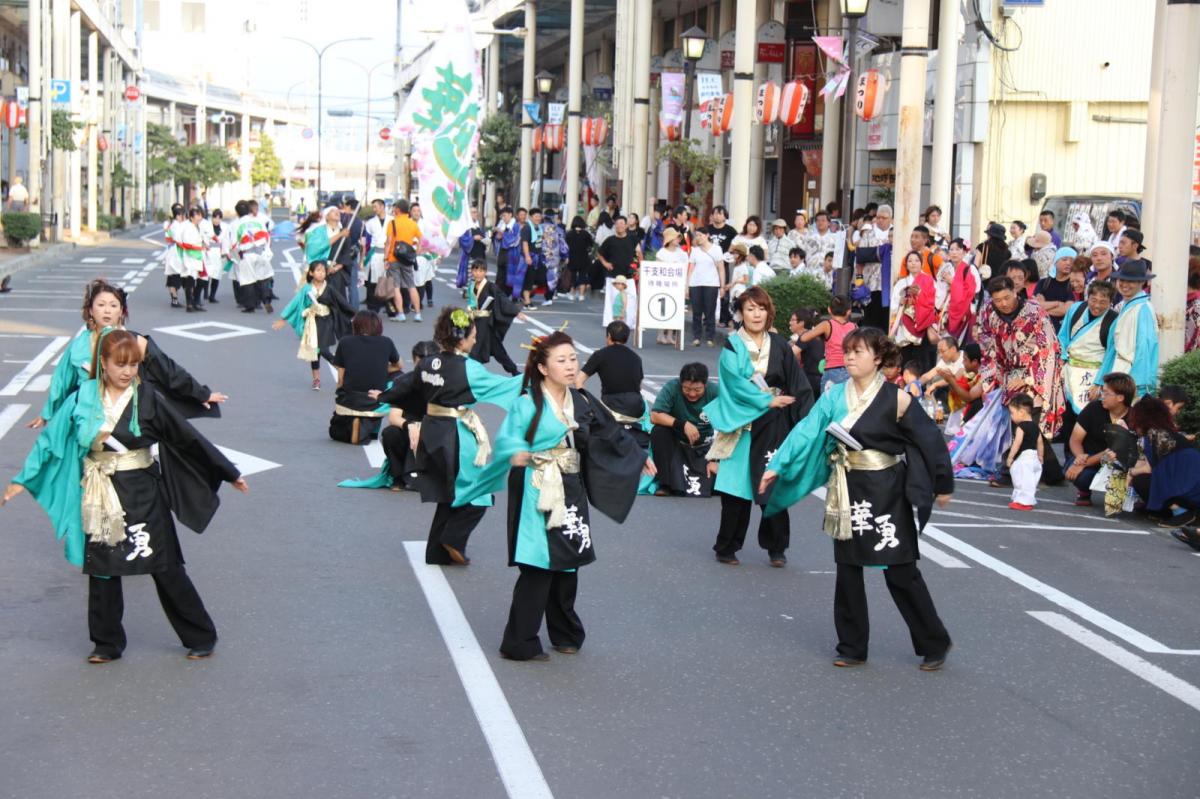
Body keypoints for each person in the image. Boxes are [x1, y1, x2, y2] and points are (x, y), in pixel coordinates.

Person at [2, 330, 248, 663]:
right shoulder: (82, 397)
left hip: (143, 490)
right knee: (103, 566)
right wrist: (22, 480)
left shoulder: (147, 397)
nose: (127, 371)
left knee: (165, 565)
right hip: (99, 491)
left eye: (133, 364)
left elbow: (187, 437)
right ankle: (106, 643)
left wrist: (228, 471)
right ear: (102, 363)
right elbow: (52, 440)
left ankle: (200, 635)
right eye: (120, 364)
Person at [452, 331, 654, 661]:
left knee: (568, 561)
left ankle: (565, 633)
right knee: (538, 563)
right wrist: (517, 451)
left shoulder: (582, 400)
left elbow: (610, 432)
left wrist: (638, 455)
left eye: (573, 358)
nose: (571, 366)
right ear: (543, 368)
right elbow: (510, 437)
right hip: (537, 485)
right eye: (561, 360)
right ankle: (519, 641)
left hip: (570, 484)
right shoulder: (528, 402)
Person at [760, 327, 953, 670]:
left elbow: (929, 441)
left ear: (878, 358)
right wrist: (778, 465)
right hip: (848, 487)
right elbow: (808, 429)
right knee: (848, 570)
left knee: (900, 570)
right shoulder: (835, 396)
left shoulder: (898, 398)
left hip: (887, 490)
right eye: (846, 352)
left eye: (858, 352)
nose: (849, 357)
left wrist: (942, 484)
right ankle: (852, 646)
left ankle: (934, 643)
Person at [381, 307, 525, 564]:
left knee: (448, 494)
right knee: (479, 490)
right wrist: (536, 372)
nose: (475, 339)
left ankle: (436, 552)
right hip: (456, 434)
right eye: (473, 334)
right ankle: (453, 538)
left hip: (431, 431)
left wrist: (381, 395)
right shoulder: (469, 368)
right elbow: (506, 386)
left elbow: (406, 387)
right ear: (462, 337)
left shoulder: (427, 363)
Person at [705, 286, 813, 567]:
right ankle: (727, 546)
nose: (756, 314)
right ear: (740, 313)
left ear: (769, 312)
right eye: (750, 309)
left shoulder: (779, 345)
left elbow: (797, 383)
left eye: (761, 308)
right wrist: (766, 402)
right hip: (743, 424)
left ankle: (777, 548)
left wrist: (806, 420)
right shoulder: (733, 344)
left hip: (775, 424)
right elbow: (734, 382)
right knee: (736, 490)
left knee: (772, 488)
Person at [29, 280, 227, 431]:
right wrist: (49, 412)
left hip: (126, 417)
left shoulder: (133, 341)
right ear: (90, 310)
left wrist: (201, 394)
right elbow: (62, 381)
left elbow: (167, 370)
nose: (107, 310)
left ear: (121, 312)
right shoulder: (79, 345)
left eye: (113, 305)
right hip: (87, 417)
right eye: (101, 305)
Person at [964, 276, 1065, 484]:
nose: (1003, 303)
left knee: (1025, 426)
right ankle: (1053, 473)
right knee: (1026, 428)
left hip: (1037, 375)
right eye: (998, 299)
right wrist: (993, 377)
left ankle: (1008, 473)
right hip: (1008, 373)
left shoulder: (1035, 313)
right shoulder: (989, 312)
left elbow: (1048, 348)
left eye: (1006, 298)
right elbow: (986, 343)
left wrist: (1027, 377)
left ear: (1015, 293)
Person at [1123, 398, 1200, 550]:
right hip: (1193, 486)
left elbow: (1149, 469)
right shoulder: (1167, 433)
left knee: (1141, 481)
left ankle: (1181, 513)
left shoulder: (1153, 435)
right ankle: (1183, 514)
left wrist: (1131, 473)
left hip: (1189, 490)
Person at [272, 260, 354, 391]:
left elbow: (342, 302)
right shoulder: (306, 289)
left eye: (323, 271)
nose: (321, 273)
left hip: (326, 321)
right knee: (314, 352)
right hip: (312, 322)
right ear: (311, 272)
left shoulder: (329, 288)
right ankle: (316, 379)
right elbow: (295, 303)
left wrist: (354, 314)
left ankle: (340, 368)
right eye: (318, 270)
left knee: (323, 349)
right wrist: (284, 318)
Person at [328, 310, 402, 443]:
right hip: (375, 399)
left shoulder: (345, 342)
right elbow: (399, 365)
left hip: (350, 398)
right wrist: (382, 369)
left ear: (356, 325)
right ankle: (372, 430)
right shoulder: (386, 342)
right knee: (397, 376)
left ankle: (356, 425)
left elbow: (340, 379)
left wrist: (341, 393)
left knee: (335, 431)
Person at [648, 362, 720, 497]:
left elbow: (729, 426)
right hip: (678, 446)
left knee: (716, 488)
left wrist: (715, 459)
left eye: (697, 390)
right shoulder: (672, 387)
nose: (692, 394)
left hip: (705, 448)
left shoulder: (715, 392)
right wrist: (682, 425)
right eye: (686, 389)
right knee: (659, 431)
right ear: (681, 383)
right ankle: (665, 484)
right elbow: (655, 415)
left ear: (705, 384)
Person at [1065, 372, 1133, 507]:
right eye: (1102, 392)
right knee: (1077, 474)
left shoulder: (1133, 417)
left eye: (1106, 393)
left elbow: (1113, 451)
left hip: (1119, 462)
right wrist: (1080, 457)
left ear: (1120, 397)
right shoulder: (1094, 408)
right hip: (1089, 456)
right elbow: (1075, 439)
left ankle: (1133, 496)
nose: (1102, 397)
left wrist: (1082, 464)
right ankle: (1084, 491)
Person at [577, 321, 647, 445]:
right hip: (636, 407)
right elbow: (639, 386)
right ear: (626, 337)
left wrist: (585, 404)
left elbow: (579, 380)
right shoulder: (636, 357)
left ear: (609, 335)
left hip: (611, 405)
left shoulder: (600, 355)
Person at [1095, 259, 1158, 397]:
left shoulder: (1143, 308)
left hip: (1131, 377)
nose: (1124, 284)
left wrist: (1138, 385)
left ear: (1141, 282)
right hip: (1119, 373)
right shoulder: (1127, 305)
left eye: (1131, 281)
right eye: (1121, 280)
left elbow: (1144, 348)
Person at [1058, 280, 1117, 425]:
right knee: (1067, 414)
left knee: (1089, 415)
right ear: (1087, 297)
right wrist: (1061, 357)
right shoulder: (1076, 309)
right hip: (1069, 368)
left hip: (1094, 372)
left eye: (1103, 302)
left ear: (1110, 302)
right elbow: (1063, 335)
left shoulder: (1113, 319)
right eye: (1093, 300)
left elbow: (1111, 353)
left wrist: (1099, 383)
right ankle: (1068, 447)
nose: (1097, 305)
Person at [466, 259, 525, 376]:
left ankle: (514, 371)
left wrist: (516, 312)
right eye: (476, 270)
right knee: (488, 348)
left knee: (486, 349)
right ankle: (473, 373)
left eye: (481, 270)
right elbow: (471, 303)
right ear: (472, 271)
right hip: (474, 321)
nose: (478, 273)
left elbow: (502, 298)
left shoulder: (490, 286)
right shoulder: (471, 286)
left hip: (486, 323)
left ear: (485, 272)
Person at [801, 294, 856, 391]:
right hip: (850, 370)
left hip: (832, 371)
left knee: (828, 403)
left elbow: (804, 338)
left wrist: (817, 333)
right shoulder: (854, 327)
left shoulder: (827, 325)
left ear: (829, 310)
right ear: (849, 311)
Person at [231, 199, 274, 313]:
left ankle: (250, 305)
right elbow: (267, 236)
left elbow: (234, 243)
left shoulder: (236, 224)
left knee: (248, 279)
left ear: (237, 212)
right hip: (260, 252)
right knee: (263, 277)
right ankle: (267, 300)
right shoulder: (258, 221)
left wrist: (236, 257)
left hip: (247, 254)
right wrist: (267, 250)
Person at [383, 199, 422, 323]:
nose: (393, 210)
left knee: (396, 287)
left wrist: (385, 258)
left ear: (398, 210)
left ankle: (400, 314)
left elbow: (389, 242)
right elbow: (421, 238)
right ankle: (417, 314)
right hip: (407, 259)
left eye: (395, 208)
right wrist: (417, 252)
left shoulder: (392, 223)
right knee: (411, 285)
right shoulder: (412, 224)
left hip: (393, 258)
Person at [854, 204, 892, 330]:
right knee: (871, 319)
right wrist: (859, 278)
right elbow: (860, 256)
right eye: (878, 217)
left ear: (891, 219)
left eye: (884, 218)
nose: (880, 220)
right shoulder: (868, 234)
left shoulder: (896, 233)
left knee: (887, 318)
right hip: (871, 282)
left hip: (890, 284)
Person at [598, 216, 640, 327]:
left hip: (629, 274)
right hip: (613, 275)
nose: (619, 226)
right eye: (617, 224)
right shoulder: (609, 240)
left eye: (622, 223)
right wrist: (605, 263)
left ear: (626, 226)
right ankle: (610, 322)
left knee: (631, 299)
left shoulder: (632, 238)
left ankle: (630, 323)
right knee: (612, 299)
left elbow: (639, 252)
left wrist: (639, 267)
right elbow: (600, 253)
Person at [687, 227, 724, 347]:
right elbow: (691, 268)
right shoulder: (695, 250)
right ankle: (696, 336)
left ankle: (710, 337)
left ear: (707, 235)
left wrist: (722, 286)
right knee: (696, 311)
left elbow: (721, 268)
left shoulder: (717, 249)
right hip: (696, 283)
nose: (698, 238)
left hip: (711, 283)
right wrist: (687, 285)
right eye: (696, 235)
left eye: (700, 235)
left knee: (710, 311)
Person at [1005, 394, 1043, 510]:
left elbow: (1017, 443)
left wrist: (1010, 457)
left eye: (1012, 413)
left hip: (1024, 457)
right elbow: (1040, 442)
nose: (1011, 416)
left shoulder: (1021, 427)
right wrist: (1040, 456)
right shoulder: (1035, 427)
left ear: (1021, 412)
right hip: (1034, 457)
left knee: (1021, 478)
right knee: (1029, 480)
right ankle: (1020, 499)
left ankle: (1024, 502)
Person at [652, 227, 688, 346]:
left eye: (678, 237)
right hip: (664, 285)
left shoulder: (681, 253)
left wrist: (686, 286)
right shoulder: (661, 253)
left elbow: (685, 269)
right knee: (662, 309)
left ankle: (670, 335)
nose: (678, 239)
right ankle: (660, 334)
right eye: (675, 237)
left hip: (677, 285)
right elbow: (658, 269)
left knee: (675, 309)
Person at [330, 198, 365, 308]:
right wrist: (361, 260)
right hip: (352, 255)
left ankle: (337, 307)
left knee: (336, 282)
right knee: (352, 285)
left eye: (345, 206)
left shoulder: (342, 219)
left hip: (338, 254)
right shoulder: (361, 223)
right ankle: (354, 310)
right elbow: (363, 244)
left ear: (349, 207)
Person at [1035, 247, 1079, 330]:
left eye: (1072, 261)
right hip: (1041, 329)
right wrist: (1057, 303)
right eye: (1064, 259)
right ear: (1055, 262)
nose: (1068, 263)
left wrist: (1044, 307)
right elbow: (1036, 306)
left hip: (1063, 330)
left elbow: (1065, 310)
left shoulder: (1073, 284)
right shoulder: (1043, 283)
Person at [177, 207, 208, 312]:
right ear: (191, 217)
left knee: (201, 280)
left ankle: (195, 302)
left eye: (200, 215)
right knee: (190, 281)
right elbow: (186, 244)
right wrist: (198, 247)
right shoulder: (188, 227)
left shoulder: (198, 227)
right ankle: (189, 304)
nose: (199, 217)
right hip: (190, 257)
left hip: (198, 256)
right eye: (197, 215)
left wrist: (203, 245)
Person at [788, 307, 824, 398]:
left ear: (801, 323)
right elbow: (798, 357)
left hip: (812, 378)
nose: (790, 323)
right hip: (820, 376)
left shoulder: (805, 336)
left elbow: (789, 355)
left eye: (793, 320)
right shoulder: (813, 334)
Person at [363, 199, 390, 313]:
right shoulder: (370, 222)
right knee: (372, 281)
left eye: (376, 207)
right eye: (373, 207)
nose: (374, 209)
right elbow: (366, 240)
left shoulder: (392, 220)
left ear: (382, 206)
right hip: (374, 254)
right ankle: (372, 306)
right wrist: (364, 254)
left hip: (387, 253)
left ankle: (386, 304)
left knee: (387, 281)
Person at [519, 207, 546, 309]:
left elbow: (540, 239)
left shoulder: (539, 227)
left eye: (539, 216)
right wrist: (527, 256)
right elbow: (524, 242)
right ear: (531, 217)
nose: (538, 218)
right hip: (530, 257)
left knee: (540, 279)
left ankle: (523, 294)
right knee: (529, 280)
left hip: (538, 258)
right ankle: (527, 302)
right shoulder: (527, 228)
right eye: (536, 216)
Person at [162, 204, 186, 308]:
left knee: (172, 277)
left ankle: (174, 299)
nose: (183, 217)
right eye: (182, 215)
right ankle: (174, 299)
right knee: (176, 277)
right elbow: (179, 240)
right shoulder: (176, 226)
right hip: (176, 253)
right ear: (178, 215)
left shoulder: (171, 224)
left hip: (172, 252)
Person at [565, 215, 593, 303]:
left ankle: (572, 294)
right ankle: (581, 295)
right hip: (584, 257)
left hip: (572, 257)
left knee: (572, 276)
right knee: (582, 276)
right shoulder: (586, 234)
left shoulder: (569, 234)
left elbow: (565, 247)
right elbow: (591, 245)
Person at [493, 206, 517, 297]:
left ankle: (508, 295)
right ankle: (498, 294)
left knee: (509, 275)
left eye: (505, 216)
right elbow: (498, 238)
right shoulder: (503, 224)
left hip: (511, 253)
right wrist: (498, 236)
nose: (503, 218)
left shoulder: (515, 225)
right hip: (502, 252)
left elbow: (513, 239)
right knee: (500, 274)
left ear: (510, 214)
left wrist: (502, 233)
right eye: (502, 216)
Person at [204, 209, 224, 303]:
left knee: (216, 275)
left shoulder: (223, 228)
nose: (216, 220)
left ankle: (212, 296)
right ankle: (205, 293)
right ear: (212, 218)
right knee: (207, 274)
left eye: (219, 218)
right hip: (209, 252)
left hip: (218, 254)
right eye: (215, 218)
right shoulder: (207, 227)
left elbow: (225, 242)